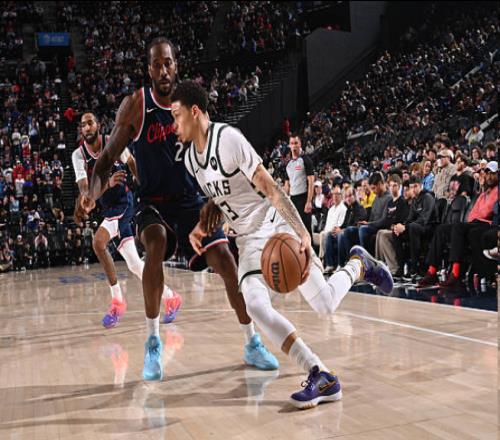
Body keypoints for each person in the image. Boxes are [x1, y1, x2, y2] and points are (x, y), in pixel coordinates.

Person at [171, 80, 393, 409]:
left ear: (194, 112)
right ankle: (320, 374)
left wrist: (301, 232)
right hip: (248, 241)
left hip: (275, 225)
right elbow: (220, 198)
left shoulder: (228, 139)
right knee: (255, 306)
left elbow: (272, 189)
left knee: (325, 304)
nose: (173, 125)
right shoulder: (191, 159)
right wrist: (202, 225)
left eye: (176, 116)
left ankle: (358, 265)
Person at [86, 38, 276, 381]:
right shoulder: (137, 106)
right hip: (151, 203)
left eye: (168, 63)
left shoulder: (191, 104)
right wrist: (91, 194)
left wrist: (216, 200)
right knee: (155, 244)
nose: (163, 70)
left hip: (190, 201)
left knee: (226, 262)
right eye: (157, 64)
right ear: (149, 69)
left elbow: (213, 153)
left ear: (176, 65)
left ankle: (252, 342)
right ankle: (153, 342)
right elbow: (106, 159)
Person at [72, 111, 178, 328]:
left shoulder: (113, 142)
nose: (87, 127)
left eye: (90, 122)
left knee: (98, 243)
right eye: (83, 125)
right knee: (134, 264)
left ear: (98, 125)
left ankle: (117, 301)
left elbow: (131, 162)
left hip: (124, 202)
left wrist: (146, 188)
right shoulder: (78, 155)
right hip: (108, 207)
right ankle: (171, 297)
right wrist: (88, 198)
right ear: (81, 130)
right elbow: (85, 189)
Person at [284, 133, 314, 238]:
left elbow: (311, 182)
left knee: (306, 229)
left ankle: (311, 249)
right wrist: (284, 202)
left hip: (303, 198)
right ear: (289, 145)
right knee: (295, 230)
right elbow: (287, 185)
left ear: (300, 144)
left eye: (296, 143)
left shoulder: (306, 160)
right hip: (293, 200)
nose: (294, 146)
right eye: (292, 143)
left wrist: (309, 201)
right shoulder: (288, 164)